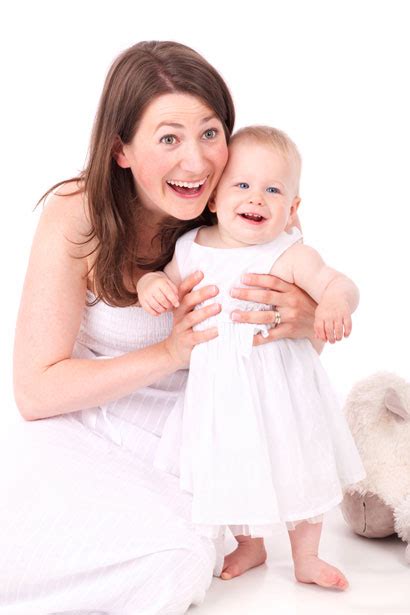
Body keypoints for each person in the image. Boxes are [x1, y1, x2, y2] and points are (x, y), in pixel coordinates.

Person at [1, 41, 320, 614]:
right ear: (121, 149)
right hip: (77, 426)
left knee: (169, 565)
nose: (196, 163)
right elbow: (34, 391)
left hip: (188, 445)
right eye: (168, 137)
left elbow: (305, 342)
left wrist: (308, 319)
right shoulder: (79, 214)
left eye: (210, 132)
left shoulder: (243, 205)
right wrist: (170, 352)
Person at [137, 125, 366, 591]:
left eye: (273, 189)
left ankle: (307, 556)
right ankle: (250, 545)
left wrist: (336, 303)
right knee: (230, 465)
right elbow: (160, 277)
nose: (256, 198)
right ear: (215, 199)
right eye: (242, 185)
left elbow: (337, 282)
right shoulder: (190, 247)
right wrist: (151, 286)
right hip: (219, 394)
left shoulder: (288, 253)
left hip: (284, 391)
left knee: (299, 465)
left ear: (292, 209)